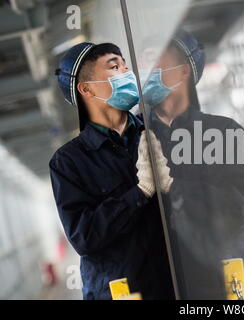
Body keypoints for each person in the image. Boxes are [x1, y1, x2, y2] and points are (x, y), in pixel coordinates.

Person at [140, 30, 244, 299]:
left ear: (183, 72)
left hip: (225, 281)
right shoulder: (136, 143)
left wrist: (174, 187)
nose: (146, 73)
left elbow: (238, 207)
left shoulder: (223, 132)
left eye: (154, 64)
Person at [51, 42, 175, 299]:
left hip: (174, 286)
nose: (127, 74)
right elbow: (84, 237)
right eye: (115, 67)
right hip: (120, 292)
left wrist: (176, 188)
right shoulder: (68, 161)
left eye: (126, 66)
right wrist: (140, 193)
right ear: (86, 88)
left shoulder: (158, 134)